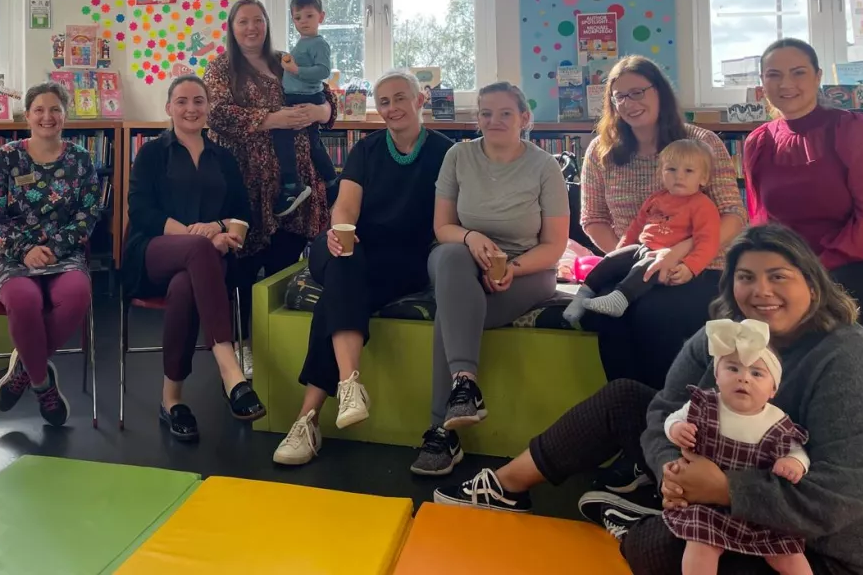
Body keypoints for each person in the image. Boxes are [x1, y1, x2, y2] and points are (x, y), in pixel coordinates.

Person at [432, 224, 863, 575]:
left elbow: (837, 500)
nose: (762, 291)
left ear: (813, 286)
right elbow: (662, 410)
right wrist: (674, 473)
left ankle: (641, 518)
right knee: (624, 399)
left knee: (653, 549)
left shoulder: (853, 360)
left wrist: (723, 491)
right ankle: (504, 488)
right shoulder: (721, 336)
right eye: (746, 277)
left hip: (823, 549)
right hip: (719, 486)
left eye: (779, 276)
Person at [273, 70, 451, 467]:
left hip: (400, 259)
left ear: (420, 100)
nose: (391, 109)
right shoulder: (367, 149)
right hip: (346, 242)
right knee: (341, 258)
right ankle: (349, 382)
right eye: (383, 101)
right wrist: (339, 232)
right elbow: (347, 205)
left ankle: (307, 418)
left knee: (340, 288)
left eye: (399, 98)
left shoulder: (445, 151)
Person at [411, 82, 568, 477]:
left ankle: (440, 431)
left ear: (524, 118)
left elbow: (554, 246)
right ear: (476, 117)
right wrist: (471, 236)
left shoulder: (545, 167)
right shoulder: (458, 156)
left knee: (453, 312)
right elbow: (442, 227)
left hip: (526, 270)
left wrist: (510, 269)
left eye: (505, 113)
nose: (493, 121)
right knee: (449, 256)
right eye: (485, 113)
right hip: (462, 261)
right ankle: (465, 385)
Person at [580, 56, 747, 395]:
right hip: (634, 263)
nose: (630, 103)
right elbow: (593, 218)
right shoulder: (602, 151)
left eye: (638, 92)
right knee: (602, 316)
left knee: (657, 313)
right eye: (620, 96)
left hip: (700, 266)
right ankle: (631, 422)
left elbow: (733, 214)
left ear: (661, 92)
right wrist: (631, 260)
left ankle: (673, 420)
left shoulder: (702, 142)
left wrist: (686, 259)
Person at [124, 75, 265, 441]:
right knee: (199, 251)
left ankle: (171, 400)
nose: (191, 108)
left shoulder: (224, 157)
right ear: (169, 108)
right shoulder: (153, 152)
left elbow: (243, 214)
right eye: (182, 101)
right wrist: (198, 236)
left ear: (209, 108)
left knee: (186, 285)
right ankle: (230, 369)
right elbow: (140, 212)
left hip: (207, 263)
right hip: (153, 252)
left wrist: (218, 229)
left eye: (199, 101)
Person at [204, 0, 336, 379]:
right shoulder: (221, 67)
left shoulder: (286, 59)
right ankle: (243, 347)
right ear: (231, 27)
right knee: (243, 268)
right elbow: (218, 114)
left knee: (285, 266)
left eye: (258, 20)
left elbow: (326, 93)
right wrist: (272, 119)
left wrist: (321, 112)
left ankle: (280, 346)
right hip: (246, 181)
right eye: (243, 21)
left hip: (297, 184)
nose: (251, 28)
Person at [746, 37, 863, 338]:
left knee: (813, 329)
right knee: (739, 324)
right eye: (774, 74)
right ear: (762, 83)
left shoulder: (858, 130)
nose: (786, 83)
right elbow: (762, 221)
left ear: (818, 77)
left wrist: (813, 271)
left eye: (798, 72)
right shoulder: (758, 142)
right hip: (795, 269)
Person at [0, 82, 99, 428]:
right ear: (28, 115)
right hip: (12, 255)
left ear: (65, 115)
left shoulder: (81, 159)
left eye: (55, 110)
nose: (47, 117)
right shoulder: (7, 157)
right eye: (39, 110)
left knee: (77, 296)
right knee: (25, 301)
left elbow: (88, 214)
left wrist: (53, 249)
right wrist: (25, 249)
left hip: (64, 254)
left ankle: (23, 369)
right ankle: (42, 383)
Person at [663, 319, 811, 575]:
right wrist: (676, 430)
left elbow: (798, 451)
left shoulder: (777, 422)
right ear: (717, 377)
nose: (744, 378)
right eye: (733, 368)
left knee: (789, 555)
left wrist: (794, 464)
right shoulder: (704, 404)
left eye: (756, 373)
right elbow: (672, 419)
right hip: (707, 506)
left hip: (758, 508)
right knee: (700, 544)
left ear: (773, 389)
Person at [567, 139, 722, 324]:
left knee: (645, 269)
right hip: (641, 247)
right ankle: (580, 298)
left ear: (703, 178)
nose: (679, 176)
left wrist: (690, 267)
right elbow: (636, 226)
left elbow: (708, 242)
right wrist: (621, 250)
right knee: (608, 262)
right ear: (661, 173)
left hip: (664, 258)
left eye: (688, 171)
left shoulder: (703, 206)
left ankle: (619, 299)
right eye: (671, 170)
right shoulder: (656, 199)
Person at [275, 0, 338, 214]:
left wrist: (295, 69)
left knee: (282, 135)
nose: (303, 22)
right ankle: (332, 181)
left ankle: (292, 184)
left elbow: (323, 71)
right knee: (312, 143)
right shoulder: (304, 42)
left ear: (321, 17)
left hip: (305, 97)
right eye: (297, 17)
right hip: (300, 96)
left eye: (309, 16)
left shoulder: (319, 43)